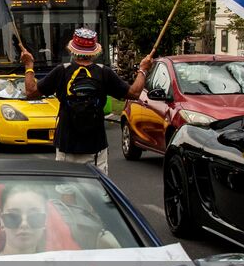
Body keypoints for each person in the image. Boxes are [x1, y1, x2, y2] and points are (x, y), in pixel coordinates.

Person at [22, 27, 151, 175]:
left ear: (72, 49)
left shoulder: (61, 71)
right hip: (96, 146)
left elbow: (31, 92)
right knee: (97, 192)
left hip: (66, 144)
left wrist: (29, 65)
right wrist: (143, 69)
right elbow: (134, 93)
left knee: (67, 191)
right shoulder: (104, 73)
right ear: (95, 51)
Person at [0, 184, 50, 255]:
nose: (24, 224)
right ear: (1, 220)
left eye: (34, 216)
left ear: (45, 219)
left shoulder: (61, 261)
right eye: (13, 216)